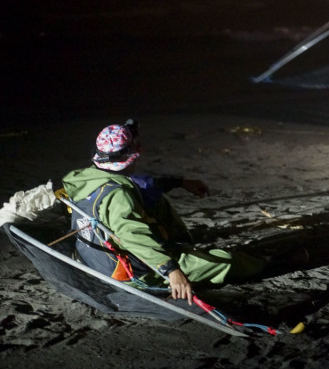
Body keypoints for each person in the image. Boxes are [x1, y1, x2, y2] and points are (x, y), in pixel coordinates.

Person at [61, 121, 266, 304]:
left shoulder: (85, 177)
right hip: (126, 272)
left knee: (155, 198)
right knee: (224, 262)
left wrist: (180, 183)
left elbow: (144, 186)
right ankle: (266, 263)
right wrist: (171, 270)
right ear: (130, 157)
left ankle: (180, 247)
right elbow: (133, 237)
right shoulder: (118, 197)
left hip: (91, 259)